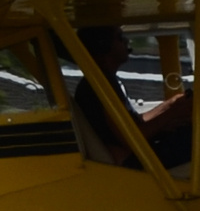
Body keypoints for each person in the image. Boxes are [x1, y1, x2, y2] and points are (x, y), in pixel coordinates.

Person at [72, 25, 193, 169]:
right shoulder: (100, 85)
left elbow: (135, 123)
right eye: (120, 38)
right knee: (199, 135)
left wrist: (170, 105)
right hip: (133, 163)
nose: (126, 41)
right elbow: (132, 139)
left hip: (134, 156)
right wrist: (173, 113)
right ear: (102, 45)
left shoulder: (103, 80)